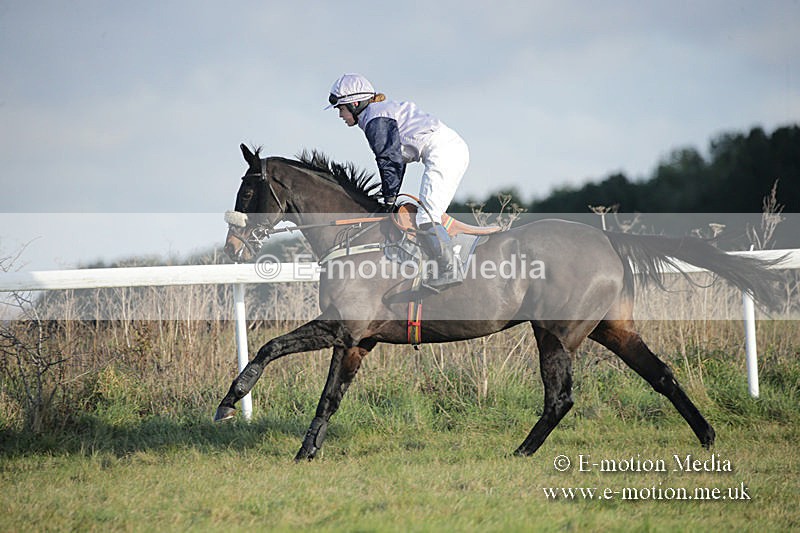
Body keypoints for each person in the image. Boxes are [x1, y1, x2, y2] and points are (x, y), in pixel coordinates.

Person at [325, 73, 469, 292]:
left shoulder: (375, 118)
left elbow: (389, 161)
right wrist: (389, 198)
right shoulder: (374, 115)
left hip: (445, 152)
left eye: (341, 109)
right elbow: (396, 161)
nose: (340, 115)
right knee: (424, 213)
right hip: (446, 149)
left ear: (355, 104)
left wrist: (389, 198)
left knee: (425, 216)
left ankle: (450, 270)